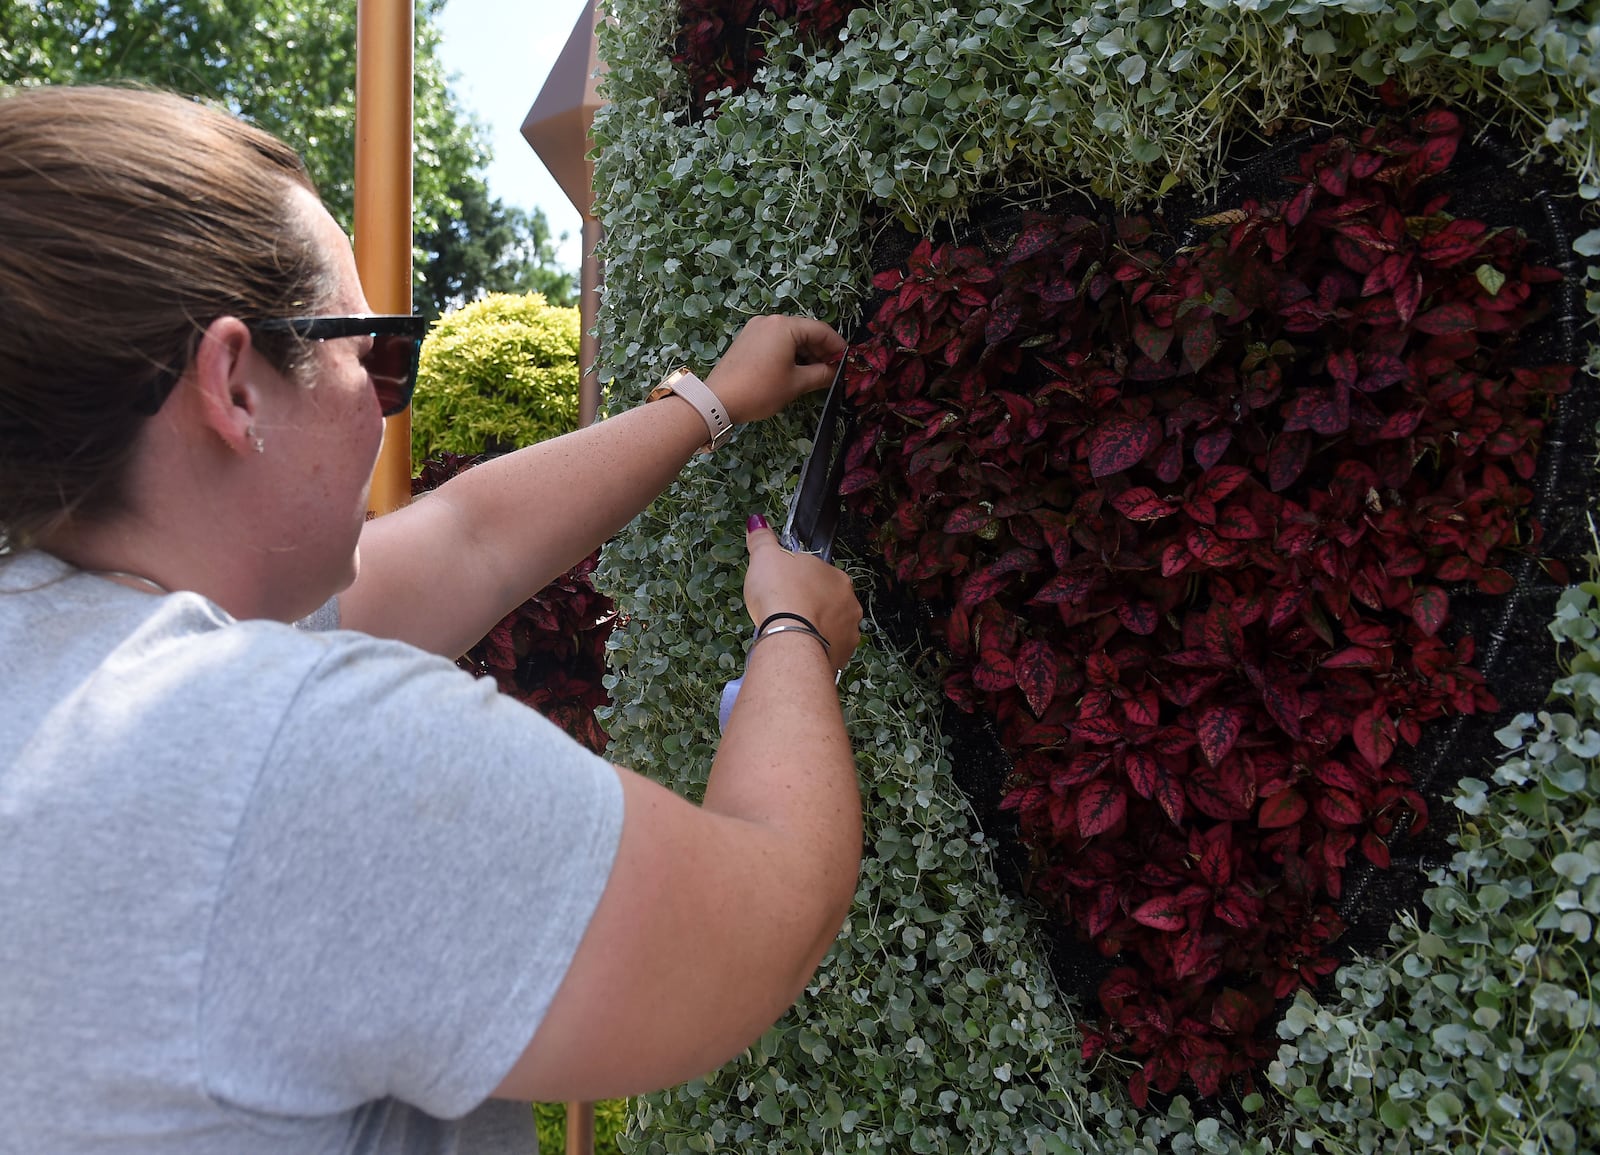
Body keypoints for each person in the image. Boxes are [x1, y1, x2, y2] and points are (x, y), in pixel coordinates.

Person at [0, 84, 864, 1154]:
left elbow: (468, 537)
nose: (380, 399)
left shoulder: (69, 655)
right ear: (233, 384)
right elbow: (760, 922)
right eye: (376, 353)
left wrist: (707, 405)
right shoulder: (286, 756)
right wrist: (794, 641)